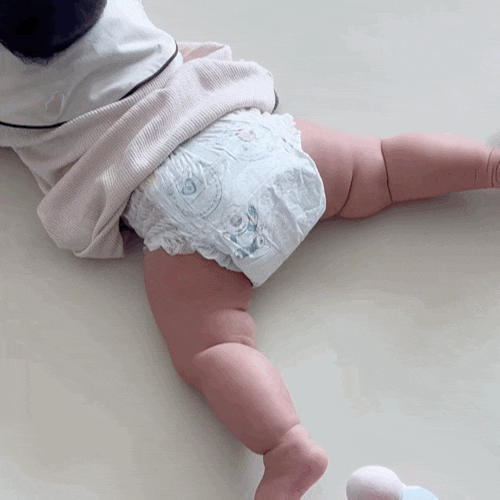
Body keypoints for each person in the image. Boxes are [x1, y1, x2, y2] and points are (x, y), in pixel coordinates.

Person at [2, 1, 499, 498]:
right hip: (252, 138)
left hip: (180, 206)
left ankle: (286, 447)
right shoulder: (121, 13)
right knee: (383, 165)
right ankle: (487, 165)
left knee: (214, 345)